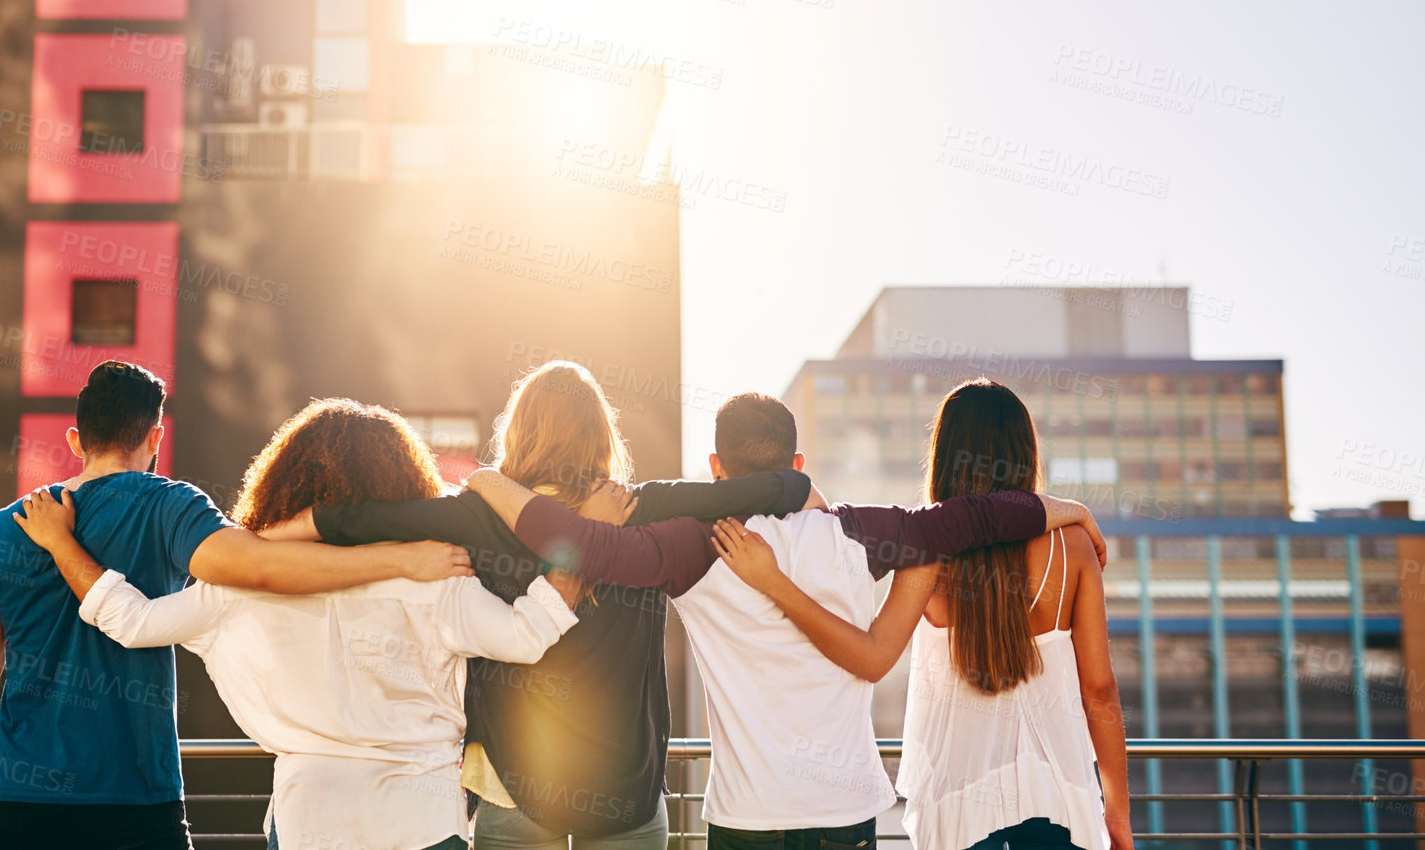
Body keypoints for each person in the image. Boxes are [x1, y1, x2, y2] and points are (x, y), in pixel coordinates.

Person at [463, 391, 1108, 850]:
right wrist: (1068, 507)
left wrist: (491, 483)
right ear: (798, 467)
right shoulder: (863, 533)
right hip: (848, 812)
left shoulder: (692, 547)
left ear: (717, 470)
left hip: (747, 818)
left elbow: (585, 544)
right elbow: (977, 518)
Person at [260, 361, 824, 850]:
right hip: (628, 786)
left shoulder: (474, 513)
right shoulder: (646, 505)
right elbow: (777, 488)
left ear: (520, 432)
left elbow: (354, 520)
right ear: (602, 435)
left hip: (515, 787)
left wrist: (255, 539)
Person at [0, 362, 470, 850]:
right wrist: (399, 553)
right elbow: (260, 564)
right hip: (136, 801)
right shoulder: (170, 506)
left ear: (77, 439)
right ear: (155, 436)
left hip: (13, 799)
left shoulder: (3, 529)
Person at [15, 398, 582, 850]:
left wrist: (60, 541)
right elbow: (526, 636)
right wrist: (578, 554)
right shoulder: (436, 571)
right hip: (423, 821)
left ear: (281, 479)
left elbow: (131, 621)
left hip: (308, 819)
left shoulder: (236, 588)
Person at [890, 379, 1132, 850]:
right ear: (1025, 453)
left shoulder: (924, 551)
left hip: (957, 806)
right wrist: (1117, 811)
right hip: (1058, 799)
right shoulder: (1075, 546)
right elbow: (1099, 691)